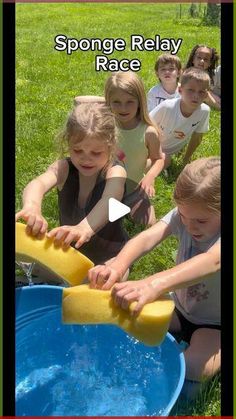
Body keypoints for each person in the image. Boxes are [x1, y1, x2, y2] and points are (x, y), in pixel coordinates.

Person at [88, 157, 221, 395]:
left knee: (191, 368)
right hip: (180, 308)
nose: (190, 227)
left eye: (201, 221)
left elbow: (212, 261)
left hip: (216, 324)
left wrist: (152, 284)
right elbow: (147, 238)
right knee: (122, 321)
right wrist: (117, 267)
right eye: (183, 216)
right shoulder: (188, 213)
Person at [15, 102, 128, 266]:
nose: (86, 158)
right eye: (77, 150)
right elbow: (38, 183)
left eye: (96, 153)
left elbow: (110, 202)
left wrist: (84, 229)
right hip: (69, 251)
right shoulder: (64, 168)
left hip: (109, 255)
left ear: (111, 147)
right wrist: (32, 207)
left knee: (104, 280)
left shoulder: (115, 172)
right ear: (68, 143)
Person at [105, 71, 164, 225]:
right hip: (106, 187)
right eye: (116, 102)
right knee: (102, 222)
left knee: (149, 224)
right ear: (108, 101)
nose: (123, 108)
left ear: (140, 101)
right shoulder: (105, 126)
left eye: (130, 101)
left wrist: (149, 177)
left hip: (134, 187)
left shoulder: (148, 132)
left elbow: (158, 159)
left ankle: (124, 206)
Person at [150, 67, 211, 169]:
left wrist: (186, 159)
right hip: (151, 147)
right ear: (180, 90)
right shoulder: (167, 107)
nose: (196, 96)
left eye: (201, 92)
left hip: (169, 152)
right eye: (191, 90)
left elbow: (197, 137)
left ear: (206, 94)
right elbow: (146, 125)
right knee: (164, 161)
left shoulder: (204, 111)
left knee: (166, 160)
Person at [185, 44, 220, 110]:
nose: (202, 61)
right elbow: (208, 97)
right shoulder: (187, 75)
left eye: (206, 59)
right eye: (199, 58)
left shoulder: (212, 74)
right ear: (193, 59)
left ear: (210, 63)